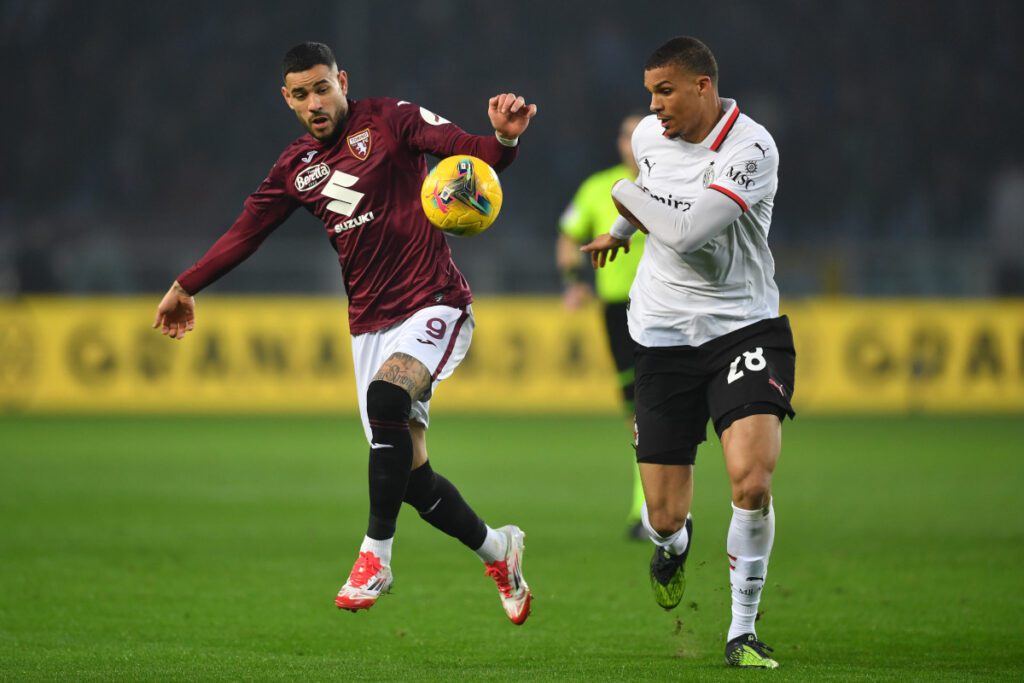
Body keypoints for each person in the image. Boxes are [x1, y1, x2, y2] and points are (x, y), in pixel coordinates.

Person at [152, 42, 537, 625]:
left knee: (387, 397)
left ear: (342, 82)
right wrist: (187, 284)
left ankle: (375, 556)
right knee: (411, 478)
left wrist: (503, 140)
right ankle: (498, 550)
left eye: (322, 88)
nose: (315, 102)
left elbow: (471, 156)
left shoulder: (391, 119)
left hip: (435, 301)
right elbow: (247, 231)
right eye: (301, 94)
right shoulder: (295, 168)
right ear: (287, 99)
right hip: (369, 328)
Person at [582, 36, 795, 668]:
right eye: (650, 93)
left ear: (703, 86)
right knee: (663, 516)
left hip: (743, 327)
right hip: (663, 335)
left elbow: (684, 231)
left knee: (751, 482)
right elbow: (653, 189)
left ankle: (742, 631)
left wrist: (623, 196)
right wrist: (619, 231)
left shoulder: (751, 148)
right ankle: (673, 546)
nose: (653, 107)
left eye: (665, 91)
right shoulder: (652, 136)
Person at [556, 113, 648, 540]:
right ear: (619, 143)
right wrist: (573, 282)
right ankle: (647, 507)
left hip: (669, 308)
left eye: (640, 134)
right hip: (617, 312)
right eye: (627, 135)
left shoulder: (672, 181)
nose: (632, 143)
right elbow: (568, 235)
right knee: (637, 412)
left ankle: (651, 510)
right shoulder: (597, 188)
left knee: (655, 408)